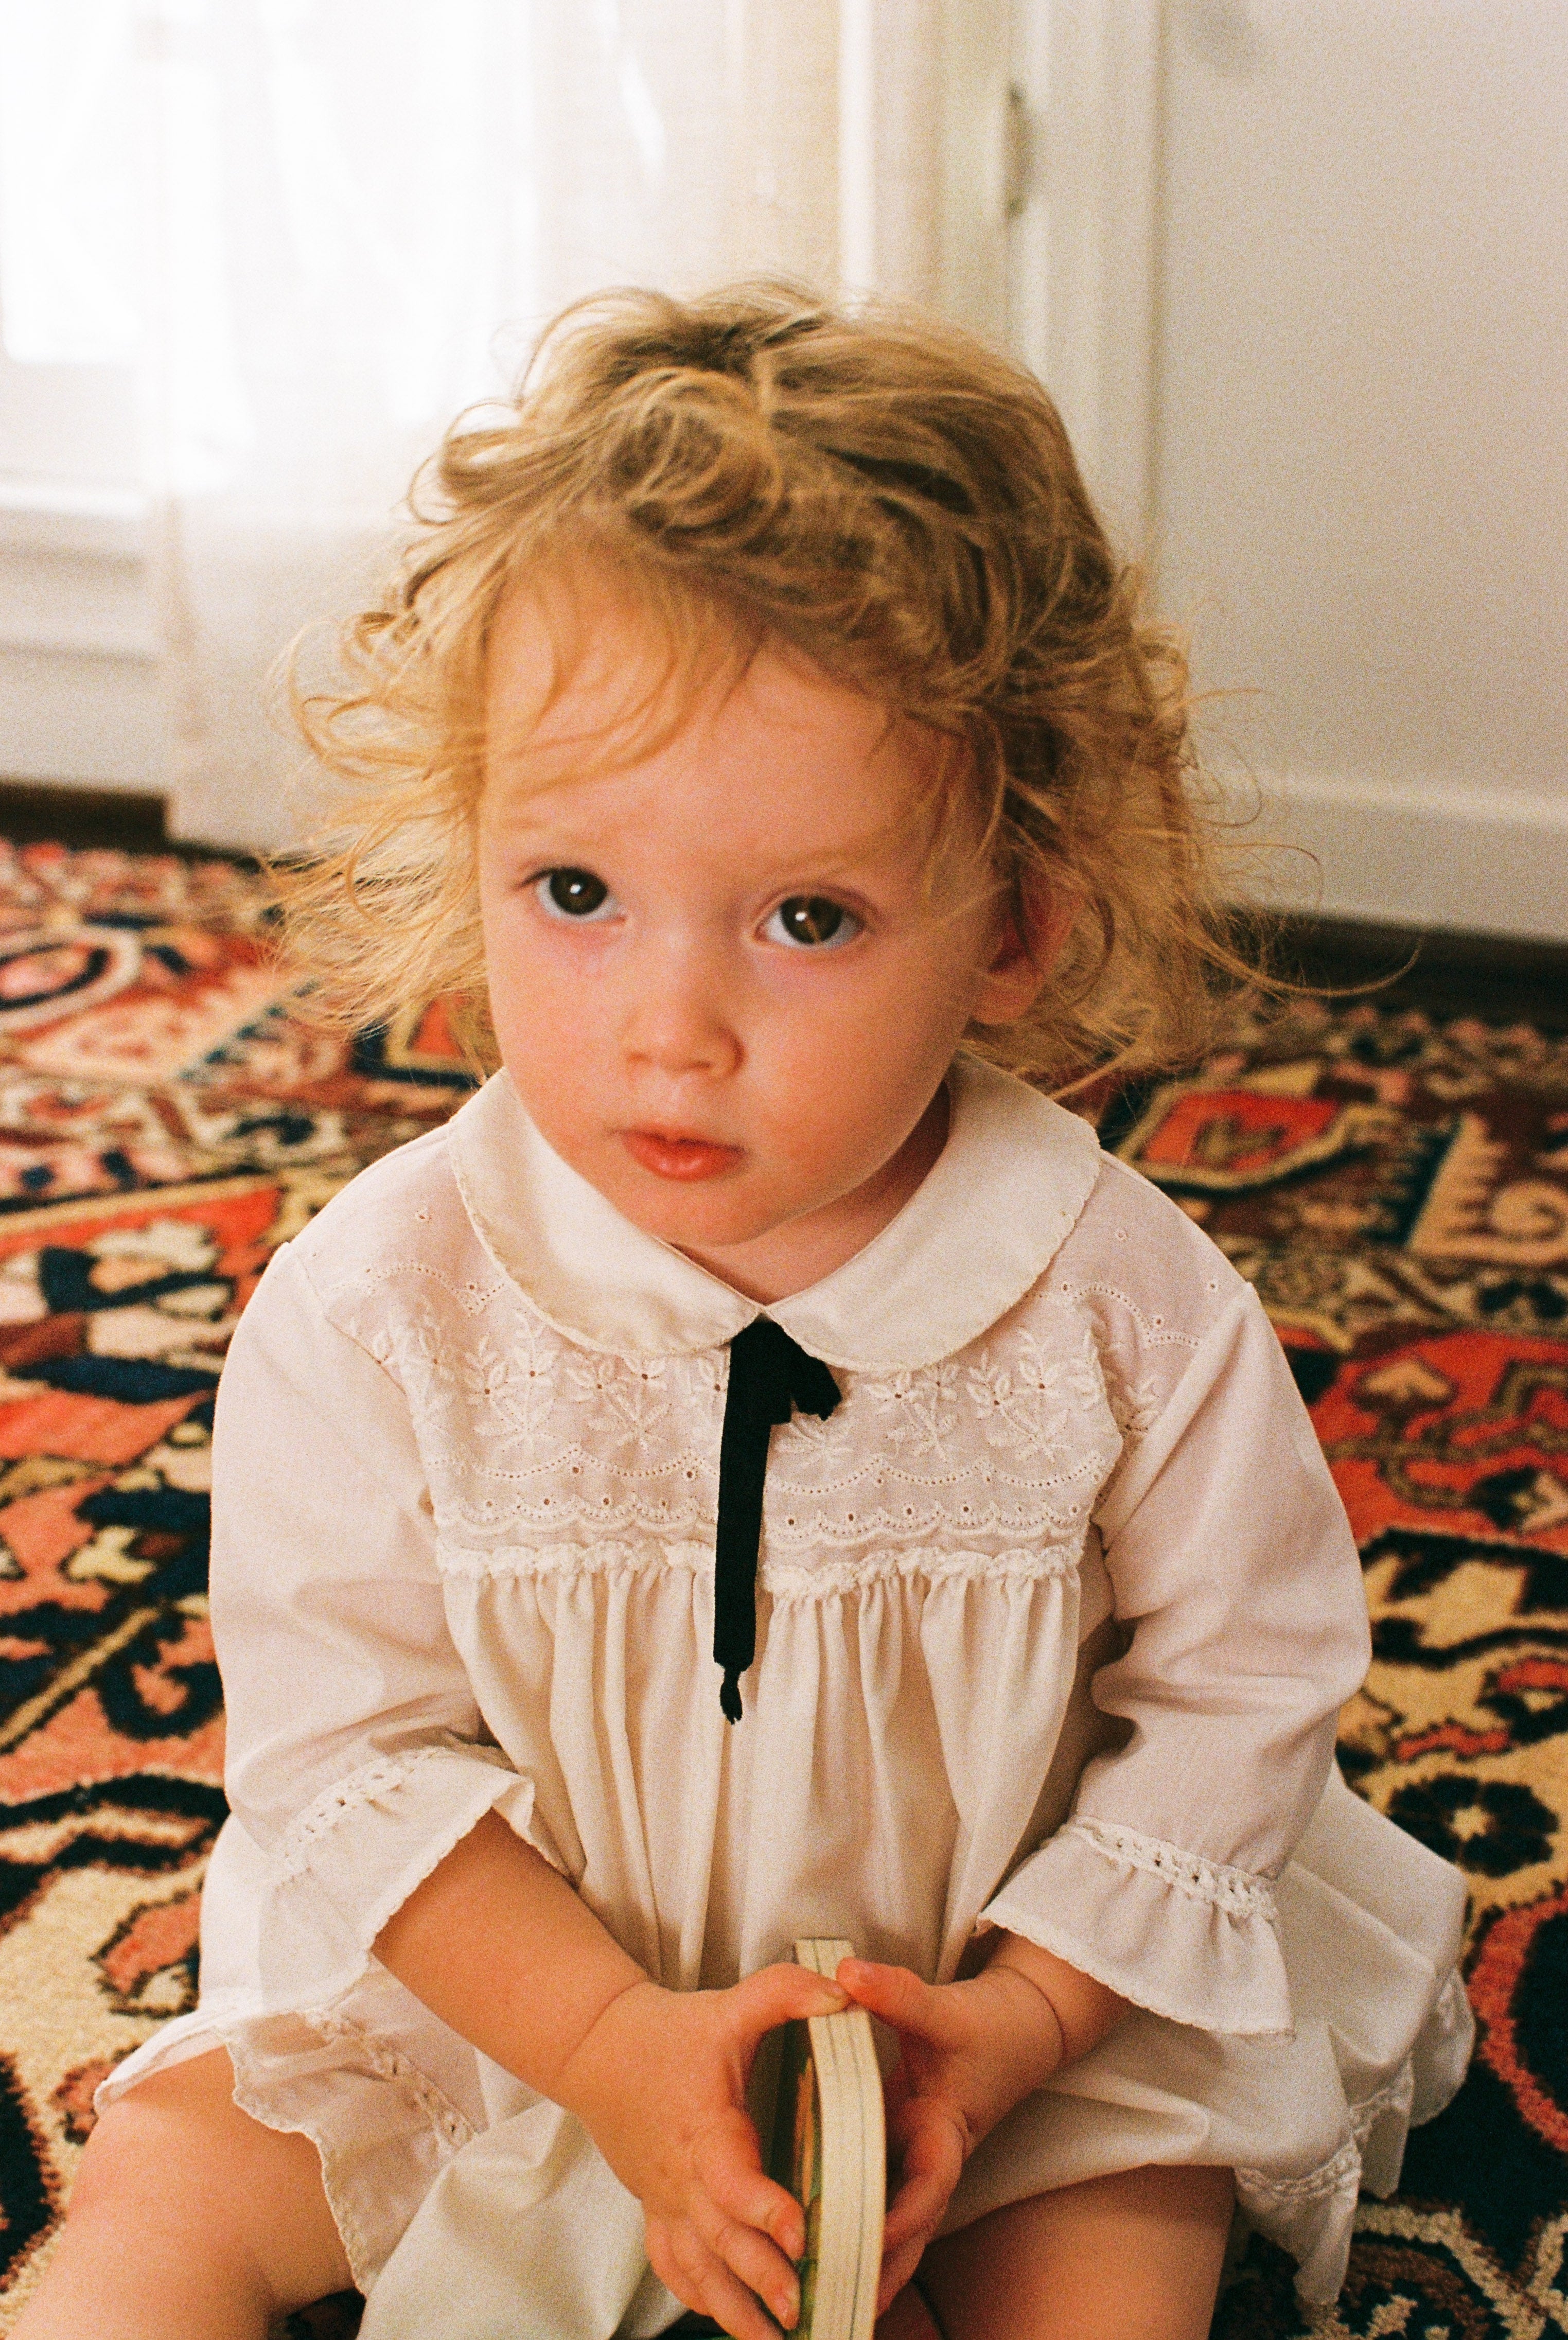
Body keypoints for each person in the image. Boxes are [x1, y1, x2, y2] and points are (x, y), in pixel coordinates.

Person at [17, 287, 1472, 2340]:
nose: (666, 1032)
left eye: (808, 920)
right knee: (183, 2176)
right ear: (479, 847)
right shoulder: (383, 1310)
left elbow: (1248, 1686)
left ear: (1014, 923)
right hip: (513, 1983)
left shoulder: (1119, 1300)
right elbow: (351, 1757)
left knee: (1114, 2243)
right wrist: (606, 2043)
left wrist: (1033, 2016)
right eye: (577, 894)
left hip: (986, 2003)